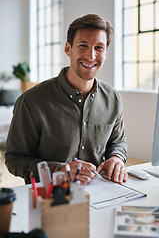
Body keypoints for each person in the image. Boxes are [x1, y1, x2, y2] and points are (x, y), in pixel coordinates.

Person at [5, 14, 128, 185]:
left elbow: (118, 142)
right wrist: (58, 170)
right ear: (68, 49)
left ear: (105, 53)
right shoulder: (32, 101)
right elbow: (14, 160)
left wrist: (117, 157)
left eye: (98, 48)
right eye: (83, 45)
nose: (91, 56)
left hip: (101, 194)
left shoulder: (113, 98)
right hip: (50, 197)